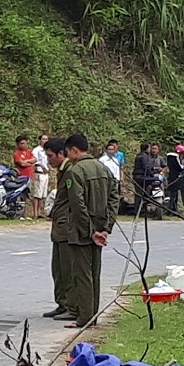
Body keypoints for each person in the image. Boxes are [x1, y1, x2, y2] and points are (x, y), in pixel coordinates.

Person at [64, 133, 117, 328]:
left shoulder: (75, 171)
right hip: (101, 228)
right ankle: (92, 314)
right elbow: (114, 197)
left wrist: (89, 230)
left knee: (82, 274)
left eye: (68, 152)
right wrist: (106, 227)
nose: (68, 156)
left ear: (75, 150)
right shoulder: (103, 168)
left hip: (82, 232)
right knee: (95, 273)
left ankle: (85, 317)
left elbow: (78, 205)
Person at [42, 137, 74, 321]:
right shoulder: (62, 171)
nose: (49, 160)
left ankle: (70, 305)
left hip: (67, 227)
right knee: (58, 269)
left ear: (62, 154)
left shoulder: (70, 171)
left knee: (67, 269)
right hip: (59, 227)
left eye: (51, 156)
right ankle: (62, 303)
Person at [29, 134, 50, 218]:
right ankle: (35, 213)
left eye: (46, 139)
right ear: (39, 140)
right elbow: (34, 161)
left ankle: (40, 211)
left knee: (43, 194)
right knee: (37, 194)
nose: (45, 141)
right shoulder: (36, 150)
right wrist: (41, 166)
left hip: (45, 174)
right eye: (43, 139)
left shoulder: (47, 150)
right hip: (39, 173)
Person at [132, 143, 154, 216]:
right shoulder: (144, 157)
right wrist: (152, 174)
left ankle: (138, 210)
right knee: (142, 194)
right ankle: (141, 210)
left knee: (139, 194)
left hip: (137, 177)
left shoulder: (139, 156)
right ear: (147, 148)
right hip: (141, 178)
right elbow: (146, 167)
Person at [166, 144, 184, 214]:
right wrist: (183, 164)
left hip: (171, 177)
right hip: (176, 177)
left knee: (172, 193)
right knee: (174, 194)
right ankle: (172, 208)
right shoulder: (175, 157)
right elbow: (180, 167)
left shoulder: (169, 157)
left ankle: (172, 208)